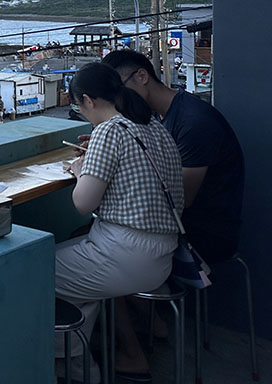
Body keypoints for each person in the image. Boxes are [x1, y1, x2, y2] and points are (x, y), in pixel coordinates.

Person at [55, 63, 183, 379]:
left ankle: (72, 364)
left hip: (124, 254)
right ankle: (79, 364)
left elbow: (83, 203)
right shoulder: (153, 125)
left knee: (31, 268)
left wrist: (79, 169)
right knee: (79, 278)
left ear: (87, 100)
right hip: (163, 255)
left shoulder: (108, 131)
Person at [103, 49, 245, 264]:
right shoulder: (157, 117)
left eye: (117, 90)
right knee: (100, 239)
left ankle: (146, 295)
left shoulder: (194, 123)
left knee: (112, 249)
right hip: (176, 224)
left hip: (205, 232)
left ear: (142, 77)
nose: (116, 101)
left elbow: (182, 199)